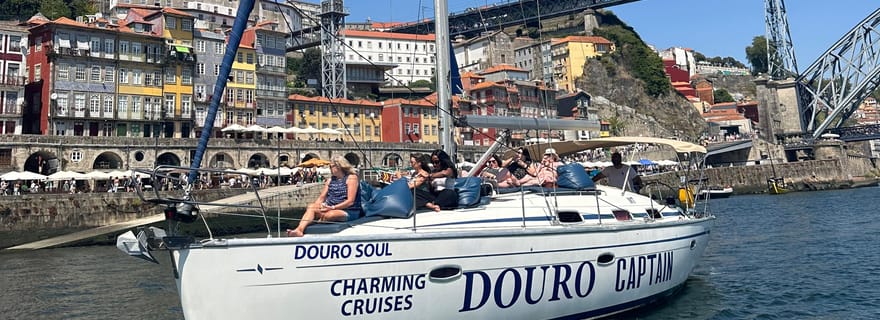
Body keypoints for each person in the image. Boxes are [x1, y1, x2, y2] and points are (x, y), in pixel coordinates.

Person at [287, 156, 362, 237]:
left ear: (339, 166)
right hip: (329, 207)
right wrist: (316, 207)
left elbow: (350, 201)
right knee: (311, 207)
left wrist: (333, 207)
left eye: (331, 166)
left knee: (330, 215)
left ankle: (318, 220)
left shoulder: (351, 178)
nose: (330, 168)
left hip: (348, 210)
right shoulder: (330, 180)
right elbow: (322, 197)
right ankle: (299, 230)